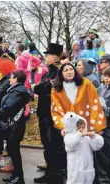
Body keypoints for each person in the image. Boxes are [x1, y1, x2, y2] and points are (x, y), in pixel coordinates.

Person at [32, 43, 65, 183]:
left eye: (48, 55)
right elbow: (43, 87)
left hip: (52, 115)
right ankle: (50, 172)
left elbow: (45, 87)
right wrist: (38, 87)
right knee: (47, 145)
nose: (46, 57)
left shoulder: (58, 71)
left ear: (55, 57)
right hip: (44, 113)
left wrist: (37, 87)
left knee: (54, 145)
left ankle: (55, 174)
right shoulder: (48, 71)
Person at [0, 70, 31, 184]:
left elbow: (8, 106)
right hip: (14, 125)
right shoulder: (17, 90)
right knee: (13, 151)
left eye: (11, 77)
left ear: (16, 79)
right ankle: (15, 175)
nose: (10, 79)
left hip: (16, 126)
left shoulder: (18, 92)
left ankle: (19, 178)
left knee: (14, 151)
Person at [50, 63, 107, 137]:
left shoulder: (86, 84)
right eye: (66, 70)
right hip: (69, 129)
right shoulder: (56, 89)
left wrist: (97, 126)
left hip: (86, 126)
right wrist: (63, 127)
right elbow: (56, 110)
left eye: (71, 69)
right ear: (61, 74)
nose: (69, 72)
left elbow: (95, 104)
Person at [62, 112, 104, 184]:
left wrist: (94, 136)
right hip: (75, 171)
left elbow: (98, 145)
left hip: (88, 170)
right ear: (73, 127)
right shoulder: (69, 137)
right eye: (79, 128)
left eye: (83, 127)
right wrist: (79, 134)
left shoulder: (87, 138)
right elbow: (71, 145)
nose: (81, 129)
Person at [0, 58, 17, 173]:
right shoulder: (7, 79)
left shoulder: (6, 80)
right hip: (2, 110)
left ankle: (1, 158)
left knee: (0, 134)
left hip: (3, 111)